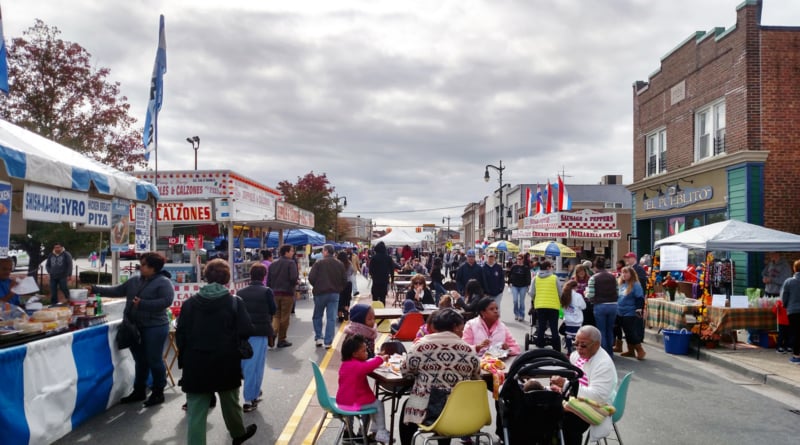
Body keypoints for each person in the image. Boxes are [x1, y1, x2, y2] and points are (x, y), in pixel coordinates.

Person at [176, 259, 257, 445]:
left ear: (206, 277)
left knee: (196, 409)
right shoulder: (234, 302)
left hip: (196, 362)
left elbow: (181, 335)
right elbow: (247, 330)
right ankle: (238, 434)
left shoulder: (189, 304)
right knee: (230, 402)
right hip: (226, 361)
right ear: (227, 279)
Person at [88, 252, 174, 406]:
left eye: (143, 264)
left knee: (154, 360)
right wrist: (94, 288)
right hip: (134, 326)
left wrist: (143, 304)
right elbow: (116, 291)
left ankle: (158, 392)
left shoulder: (164, 282)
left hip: (155, 326)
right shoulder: (134, 281)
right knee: (140, 361)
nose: (140, 267)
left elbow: (166, 302)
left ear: (153, 268)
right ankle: (139, 390)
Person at [398, 309, 481, 445]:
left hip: (428, 411)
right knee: (447, 399)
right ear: (455, 327)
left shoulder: (420, 347)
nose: (462, 333)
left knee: (408, 405)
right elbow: (477, 375)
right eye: (461, 329)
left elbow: (405, 371)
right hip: (462, 411)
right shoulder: (469, 350)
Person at [549, 325, 618, 445]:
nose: (579, 348)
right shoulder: (576, 355)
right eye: (576, 344)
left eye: (583, 345)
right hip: (574, 398)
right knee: (541, 405)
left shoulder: (603, 364)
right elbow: (569, 377)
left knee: (568, 422)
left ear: (596, 345)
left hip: (596, 405)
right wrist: (559, 386)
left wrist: (564, 385)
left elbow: (597, 396)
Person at [336, 335, 391, 444]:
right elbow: (369, 365)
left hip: (342, 402)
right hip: (353, 404)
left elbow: (366, 364)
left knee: (367, 405)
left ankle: (349, 435)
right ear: (355, 354)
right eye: (364, 350)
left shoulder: (346, 364)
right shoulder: (358, 367)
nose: (367, 353)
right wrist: (381, 358)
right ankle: (380, 431)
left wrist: (375, 358)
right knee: (378, 404)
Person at [237, 263, 276, 411]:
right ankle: (249, 398)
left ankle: (253, 391)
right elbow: (273, 309)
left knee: (247, 365)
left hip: (243, 334)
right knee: (255, 366)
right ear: (263, 276)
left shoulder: (240, 292)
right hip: (260, 332)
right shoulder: (266, 291)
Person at [308, 244, 348, 349]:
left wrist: (316, 286)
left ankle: (319, 337)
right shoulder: (339, 264)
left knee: (317, 315)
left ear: (325, 252)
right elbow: (345, 280)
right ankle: (328, 341)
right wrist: (339, 288)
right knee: (331, 318)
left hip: (320, 293)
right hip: (334, 293)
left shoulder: (318, 263)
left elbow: (311, 277)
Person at [586, 256, 619, 357]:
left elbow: (590, 295)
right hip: (613, 305)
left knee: (601, 331)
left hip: (600, 305)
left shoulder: (593, 278)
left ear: (595, 267)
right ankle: (610, 353)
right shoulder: (613, 277)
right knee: (610, 329)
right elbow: (617, 292)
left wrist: (585, 293)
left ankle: (603, 354)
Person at [268, 244, 298, 348]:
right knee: (285, 317)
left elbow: (269, 281)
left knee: (276, 316)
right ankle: (281, 339)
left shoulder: (273, 264)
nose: (293, 252)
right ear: (286, 252)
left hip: (275, 293)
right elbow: (294, 278)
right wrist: (295, 284)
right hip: (287, 293)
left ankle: (272, 333)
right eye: (291, 251)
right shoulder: (291, 263)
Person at [528, 260, 562, 352]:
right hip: (553, 306)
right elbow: (560, 292)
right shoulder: (554, 278)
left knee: (541, 326)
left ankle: (540, 343)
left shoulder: (535, 278)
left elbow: (531, 292)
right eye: (551, 267)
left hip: (540, 305)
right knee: (553, 326)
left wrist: (536, 298)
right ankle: (556, 346)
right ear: (548, 268)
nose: (552, 268)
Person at [617, 266, 646, 360]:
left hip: (630, 311)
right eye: (623, 273)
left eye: (626, 273)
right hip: (619, 310)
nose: (624, 275)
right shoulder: (621, 284)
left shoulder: (636, 284)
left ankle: (640, 350)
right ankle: (630, 351)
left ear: (631, 274)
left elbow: (640, 298)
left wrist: (639, 309)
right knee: (625, 331)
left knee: (630, 331)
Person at [781, 259, 800, 364]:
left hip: (793, 310)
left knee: (796, 333)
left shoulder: (789, 281)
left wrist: (785, 305)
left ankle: (796, 355)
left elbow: (784, 297)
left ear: (794, 268)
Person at [560, 280, 586, 354]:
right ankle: (578, 351)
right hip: (577, 320)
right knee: (577, 336)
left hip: (568, 320)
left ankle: (569, 351)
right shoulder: (578, 296)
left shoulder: (564, 295)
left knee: (568, 335)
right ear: (575, 287)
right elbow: (583, 307)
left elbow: (561, 307)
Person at [508, 253, 532, 322]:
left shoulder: (526, 268)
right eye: (517, 259)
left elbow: (528, 277)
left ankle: (521, 315)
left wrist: (528, 285)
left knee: (521, 302)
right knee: (515, 301)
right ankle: (516, 313)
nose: (518, 260)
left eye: (520, 259)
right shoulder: (514, 267)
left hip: (523, 286)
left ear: (522, 260)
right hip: (515, 286)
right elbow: (510, 275)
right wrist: (509, 282)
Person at [369, 242, 394, 306]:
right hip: (384, 280)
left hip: (376, 281)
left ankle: (375, 312)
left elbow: (370, 269)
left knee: (375, 298)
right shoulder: (388, 258)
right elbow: (392, 269)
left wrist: (373, 276)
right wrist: (392, 280)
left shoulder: (374, 258)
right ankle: (382, 312)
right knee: (383, 298)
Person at [337, 251, 355, 322]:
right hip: (348, 283)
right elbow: (352, 272)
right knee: (347, 298)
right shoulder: (349, 263)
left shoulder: (337, 264)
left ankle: (340, 315)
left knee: (340, 300)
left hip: (339, 283)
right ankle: (346, 311)